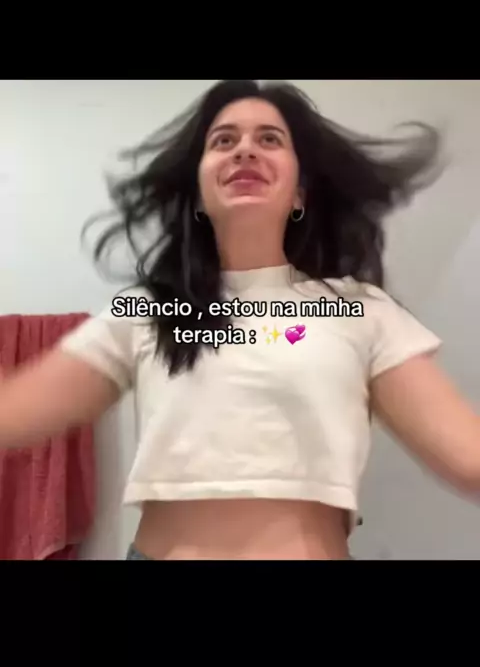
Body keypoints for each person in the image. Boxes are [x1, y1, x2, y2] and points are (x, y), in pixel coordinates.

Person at [1, 79, 479, 560]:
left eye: (270, 139)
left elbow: (469, 458)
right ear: (198, 195)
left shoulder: (362, 310)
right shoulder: (149, 310)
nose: (245, 149)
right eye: (223, 140)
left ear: (299, 194)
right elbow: (14, 412)